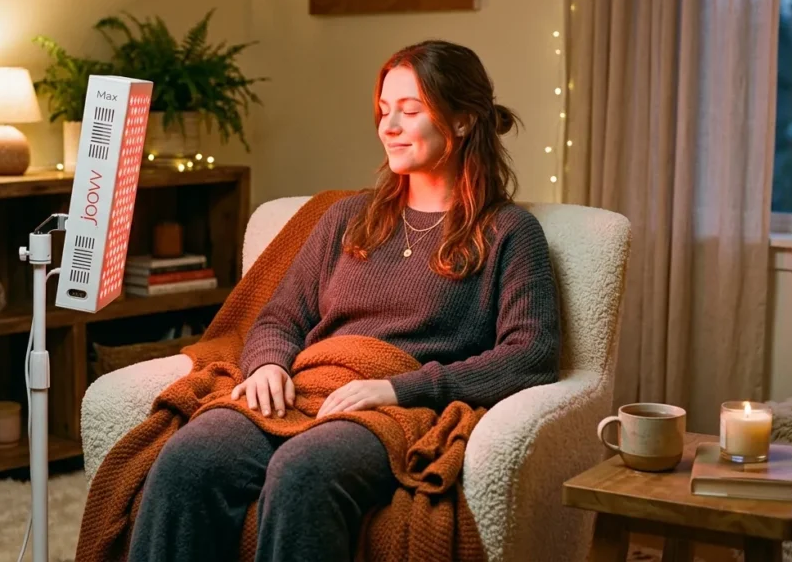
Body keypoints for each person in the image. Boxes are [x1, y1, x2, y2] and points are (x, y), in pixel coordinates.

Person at [126, 39, 562, 562]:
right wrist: (266, 364)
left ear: (464, 120)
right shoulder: (348, 216)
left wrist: (396, 390)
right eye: (384, 111)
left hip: (398, 409)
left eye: (411, 110)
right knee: (189, 458)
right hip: (305, 388)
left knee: (303, 472)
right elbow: (281, 316)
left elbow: (530, 355)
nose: (389, 126)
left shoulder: (509, 232)